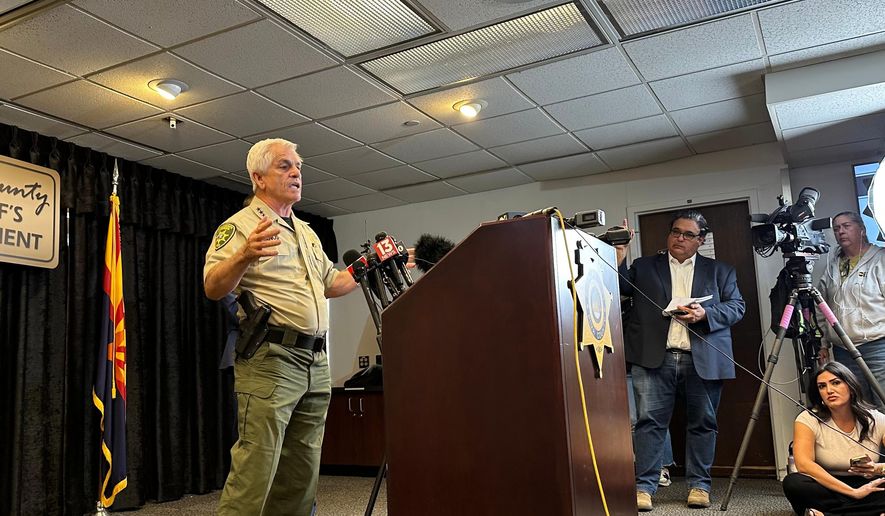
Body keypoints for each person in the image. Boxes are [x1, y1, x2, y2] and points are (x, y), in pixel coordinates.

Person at [204, 138, 360, 515]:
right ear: (258, 177)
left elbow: (331, 283)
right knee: (255, 468)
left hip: (315, 363)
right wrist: (244, 254)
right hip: (272, 360)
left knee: (301, 470)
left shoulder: (306, 231)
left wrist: (365, 267)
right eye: (285, 166)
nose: (296, 173)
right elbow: (212, 286)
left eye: (298, 167)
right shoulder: (240, 227)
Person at [617, 210, 746, 511]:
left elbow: (737, 307)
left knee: (703, 423)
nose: (680, 238)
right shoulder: (644, 266)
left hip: (702, 359)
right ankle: (644, 487)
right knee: (649, 424)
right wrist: (620, 255)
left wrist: (706, 314)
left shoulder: (720, 271)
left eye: (688, 234)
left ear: (701, 240)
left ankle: (699, 486)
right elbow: (618, 289)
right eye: (676, 231)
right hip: (653, 358)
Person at [783, 362, 885, 515]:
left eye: (836, 383)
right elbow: (804, 465)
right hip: (827, 485)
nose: (829, 390)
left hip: (867, 483)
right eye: (822, 386)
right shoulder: (807, 419)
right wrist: (853, 493)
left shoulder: (876, 419)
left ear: (850, 387)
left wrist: (877, 468)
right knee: (794, 483)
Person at [818, 211, 885, 407]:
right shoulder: (832, 267)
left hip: (877, 345)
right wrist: (824, 344)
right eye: (837, 228)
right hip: (843, 350)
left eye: (846, 226)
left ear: (862, 230)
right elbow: (823, 306)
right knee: (859, 406)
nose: (841, 231)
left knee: (883, 402)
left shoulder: (880, 259)